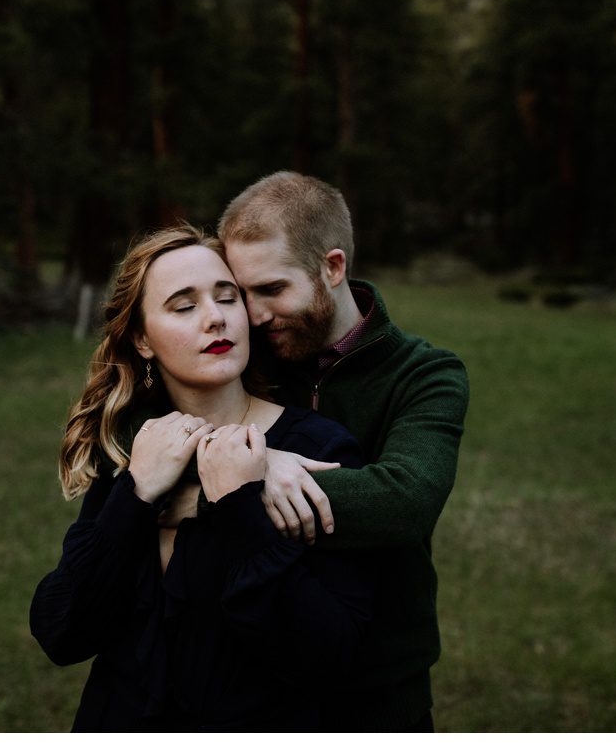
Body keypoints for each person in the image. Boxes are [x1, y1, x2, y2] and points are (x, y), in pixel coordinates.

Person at [29, 225, 372, 730]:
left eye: (227, 298)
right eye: (183, 306)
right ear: (143, 339)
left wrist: (240, 505)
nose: (215, 318)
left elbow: (333, 654)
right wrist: (136, 493)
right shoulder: (133, 449)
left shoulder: (316, 450)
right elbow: (63, 632)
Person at [217, 171, 469, 733]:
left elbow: (405, 499)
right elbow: (141, 427)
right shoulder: (245, 355)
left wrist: (247, 481)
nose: (253, 316)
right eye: (242, 293)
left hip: (375, 689)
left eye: (272, 289)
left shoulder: (425, 374)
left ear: (332, 268)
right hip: (253, 675)